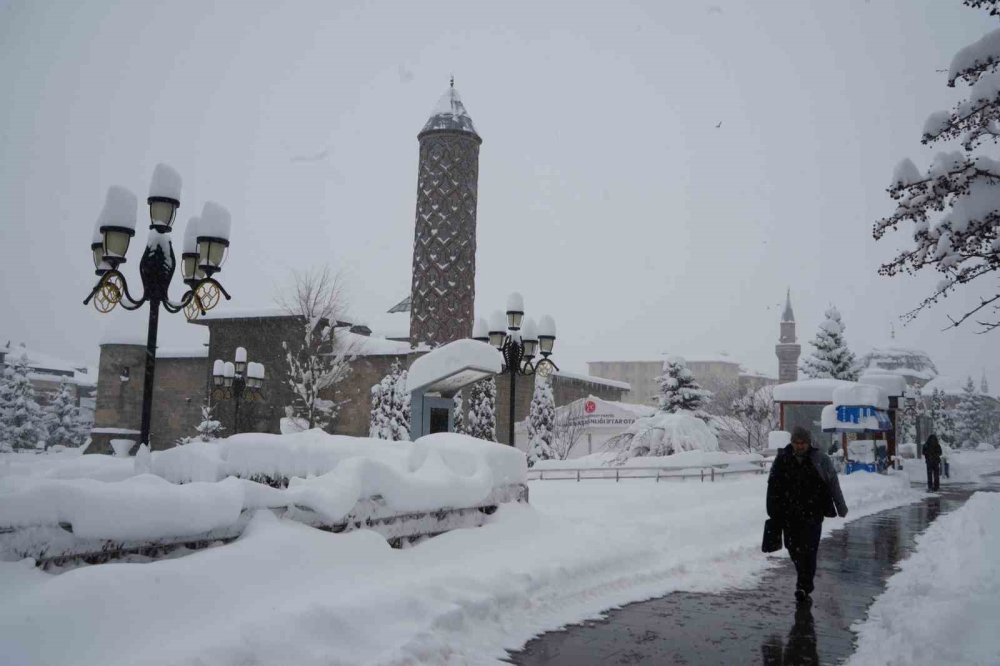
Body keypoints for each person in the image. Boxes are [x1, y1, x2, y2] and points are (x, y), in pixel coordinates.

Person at [767, 427, 848, 602]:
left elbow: (833, 482)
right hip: (790, 514)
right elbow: (773, 485)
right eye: (796, 442)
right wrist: (773, 510)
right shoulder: (783, 459)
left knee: (809, 550)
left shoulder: (820, 459)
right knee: (792, 547)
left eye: (802, 443)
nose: (799, 446)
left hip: (813, 513)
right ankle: (803, 576)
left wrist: (840, 506)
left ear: (808, 442)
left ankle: (804, 585)